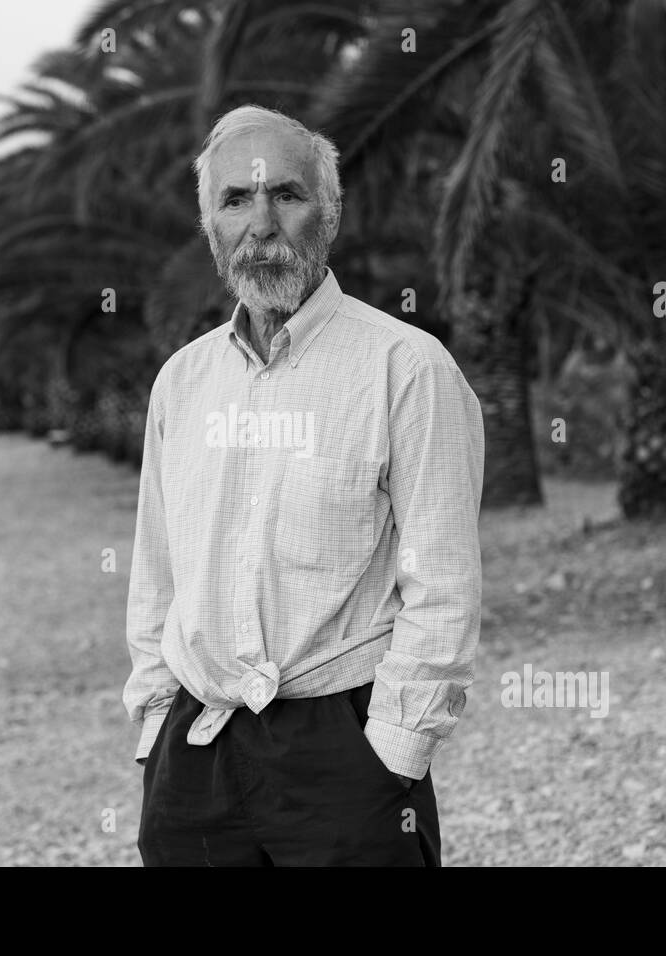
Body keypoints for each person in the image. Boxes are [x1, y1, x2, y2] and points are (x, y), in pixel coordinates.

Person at [124, 105, 485, 866]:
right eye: (234, 200)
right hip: (195, 755)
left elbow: (443, 585)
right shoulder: (182, 382)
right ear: (209, 224)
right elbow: (157, 574)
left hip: (345, 750)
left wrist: (392, 750)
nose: (261, 223)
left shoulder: (407, 369)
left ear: (330, 212)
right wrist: (156, 725)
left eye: (285, 194)